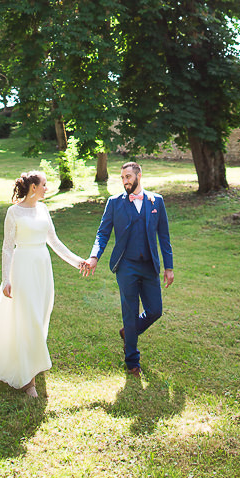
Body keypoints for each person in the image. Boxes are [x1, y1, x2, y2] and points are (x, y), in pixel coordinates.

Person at [0, 169, 86, 397]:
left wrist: (78, 262)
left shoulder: (43, 209)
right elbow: (7, 247)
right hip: (23, 268)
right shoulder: (13, 212)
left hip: (42, 268)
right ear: (33, 187)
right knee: (30, 319)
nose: (47, 188)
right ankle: (28, 381)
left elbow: (54, 242)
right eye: (44, 184)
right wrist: (6, 279)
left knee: (41, 316)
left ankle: (31, 362)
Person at [82, 161, 173, 376]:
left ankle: (129, 332)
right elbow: (102, 233)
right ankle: (132, 361)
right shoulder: (114, 203)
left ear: (139, 176)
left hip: (149, 266)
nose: (125, 181)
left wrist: (168, 267)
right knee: (130, 312)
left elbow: (164, 236)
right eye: (122, 178)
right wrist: (94, 256)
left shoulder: (156, 201)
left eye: (128, 177)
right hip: (126, 266)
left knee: (155, 310)